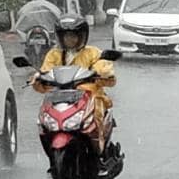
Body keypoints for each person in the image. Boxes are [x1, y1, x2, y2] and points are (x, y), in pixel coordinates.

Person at [31, 15, 116, 154]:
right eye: (66, 36)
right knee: (44, 122)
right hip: (59, 97)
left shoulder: (93, 52)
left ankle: (99, 149)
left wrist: (99, 73)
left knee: (96, 116)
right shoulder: (54, 54)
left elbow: (105, 69)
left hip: (89, 97)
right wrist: (38, 78)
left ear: (81, 36)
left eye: (73, 36)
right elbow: (45, 71)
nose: (70, 40)